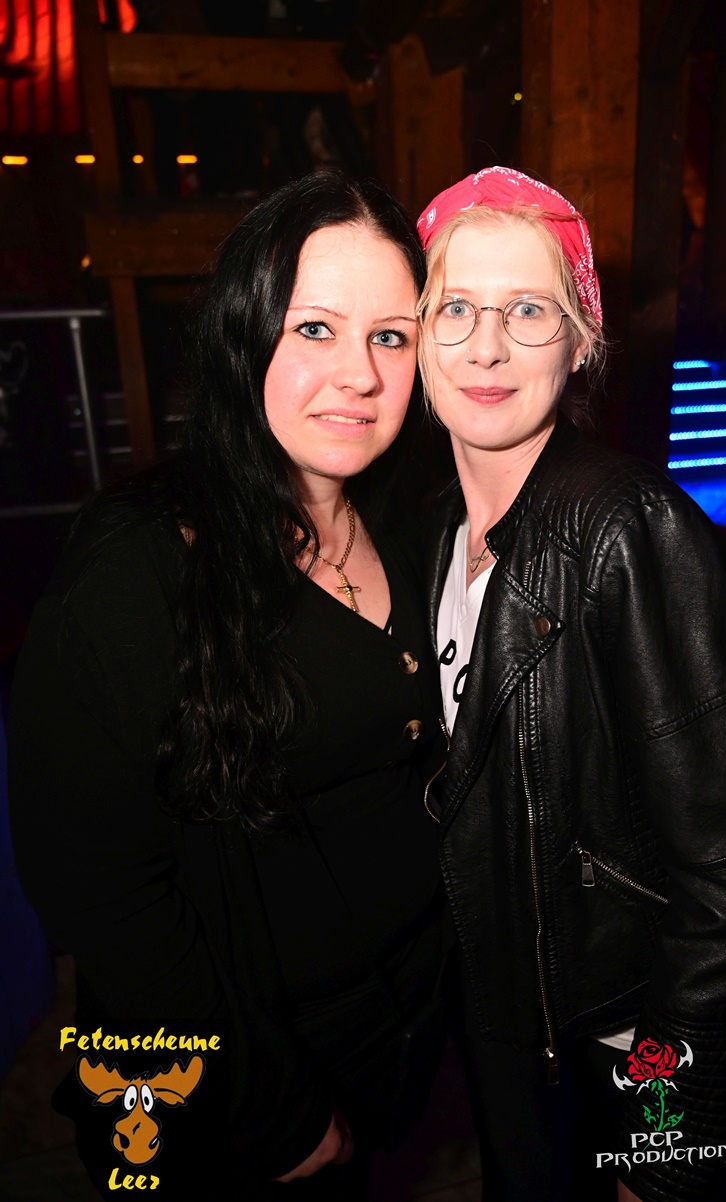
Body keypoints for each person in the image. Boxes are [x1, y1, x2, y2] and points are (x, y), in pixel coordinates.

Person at [9, 172, 448, 1200]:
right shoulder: (136, 569)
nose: (359, 375)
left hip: (391, 1044)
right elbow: (98, 890)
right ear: (243, 333)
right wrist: (265, 1106)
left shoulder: (411, 521)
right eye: (314, 328)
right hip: (222, 1090)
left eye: (390, 336)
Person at [415, 166, 726, 1202]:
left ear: (580, 341)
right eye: (456, 307)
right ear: (418, 333)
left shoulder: (630, 528)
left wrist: (663, 1140)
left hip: (619, 1046)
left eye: (528, 310)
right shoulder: (436, 528)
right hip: (511, 1031)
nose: (485, 346)